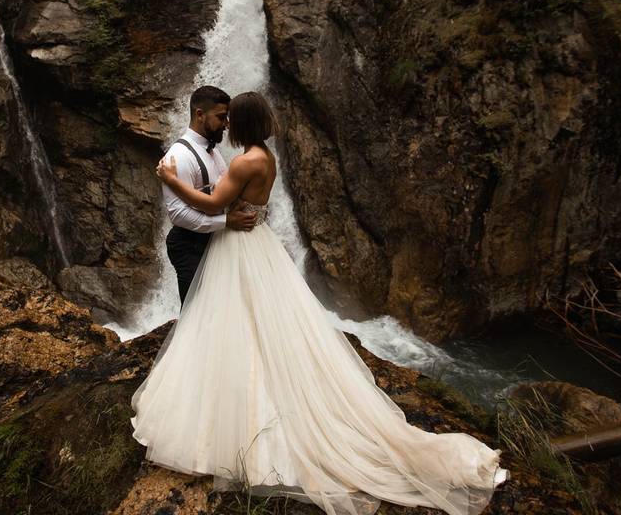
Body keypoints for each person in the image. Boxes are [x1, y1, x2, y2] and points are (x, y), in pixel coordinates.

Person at [131, 92, 509, 515]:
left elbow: (212, 203)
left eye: (231, 118)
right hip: (251, 246)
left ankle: (233, 405)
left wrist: (172, 181)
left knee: (229, 319)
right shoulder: (263, 157)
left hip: (237, 248)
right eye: (223, 118)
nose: (226, 125)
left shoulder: (242, 162)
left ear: (242, 123)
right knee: (251, 321)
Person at [162, 85, 257, 308]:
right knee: (196, 314)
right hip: (189, 246)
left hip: (211, 241)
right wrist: (226, 221)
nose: (227, 124)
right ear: (199, 114)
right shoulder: (178, 157)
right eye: (221, 117)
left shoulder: (213, 152)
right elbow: (178, 214)